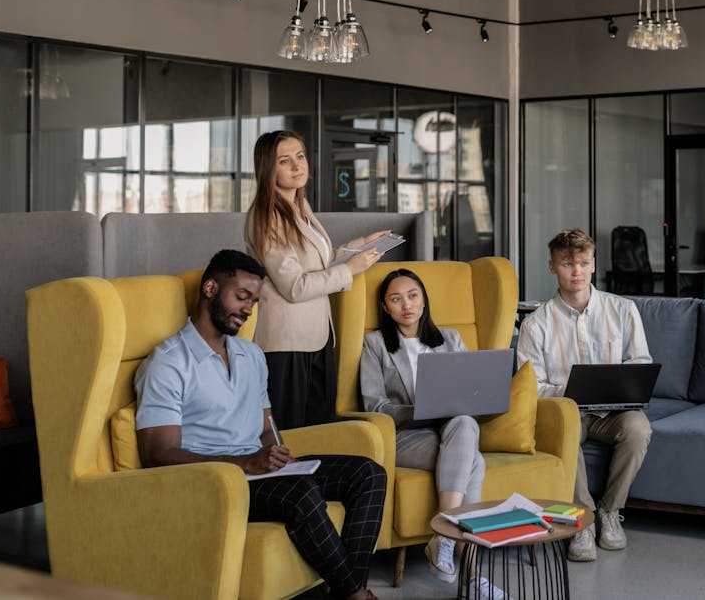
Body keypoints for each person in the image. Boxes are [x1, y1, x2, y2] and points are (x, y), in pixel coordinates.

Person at [134, 250, 388, 600]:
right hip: (212, 482)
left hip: (259, 472)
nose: (248, 309)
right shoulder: (168, 362)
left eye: (253, 301)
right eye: (241, 296)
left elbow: (267, 424)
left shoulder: (251, 355)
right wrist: (245, 464)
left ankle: (346, 589)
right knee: (302, 493)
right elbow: (156, 454)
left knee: (369, 474)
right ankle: (354, 594)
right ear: (210, 288)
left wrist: (281, 454)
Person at [358, 268, 500, 600]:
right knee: (473, 461)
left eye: (413, 295)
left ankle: (447, 538)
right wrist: (420, 408)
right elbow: (374, 404)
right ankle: (471, 574)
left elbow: (469, 392)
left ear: (424, 300)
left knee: (465, 424)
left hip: (451, 431)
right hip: (405, 436)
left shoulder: (450, 339)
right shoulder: (375, 344)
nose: (406, 305)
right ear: (385, 306)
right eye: (396, 299)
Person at [516, 229, 653, 563]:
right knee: (567, 432)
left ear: (593, 265)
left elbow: (640, 362)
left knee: (639, 429)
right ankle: (582, 520)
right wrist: (571, 392)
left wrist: (621, 387)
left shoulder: (623, 310)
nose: (576, 271)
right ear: (552, 267)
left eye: (582, 263)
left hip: (613, 413)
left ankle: (610, 511)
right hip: (565, 411)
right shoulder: (537, 323)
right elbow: (530, 384)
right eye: (567, 264)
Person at [245, 129, 389, 429]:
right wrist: (350, 269)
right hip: (286, 343)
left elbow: (316, 263)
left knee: (319, 431)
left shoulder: (300, 207)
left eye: (300, 156)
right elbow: (295, 286)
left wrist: (359, 246)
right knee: (291, 436)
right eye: (285, 161)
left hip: (316, 336)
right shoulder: (267, 217)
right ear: (268, 169)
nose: (298, 166)